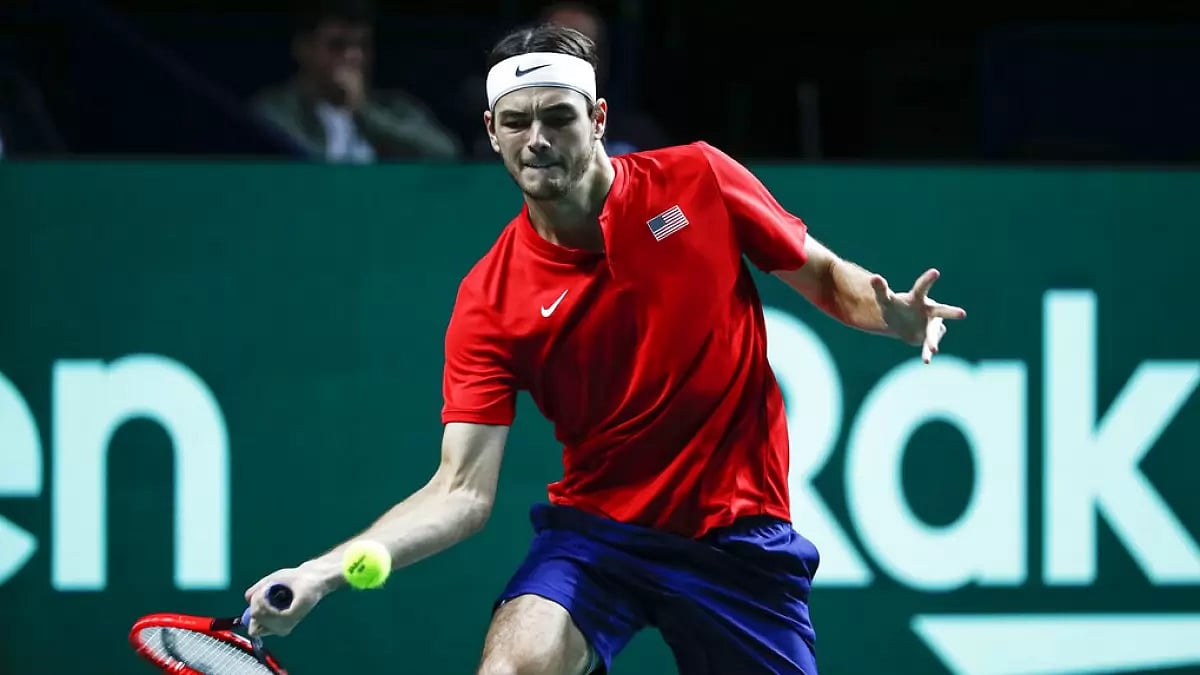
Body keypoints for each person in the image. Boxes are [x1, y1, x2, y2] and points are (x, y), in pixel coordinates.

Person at [244, 22, 967, 675]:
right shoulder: (490, 298)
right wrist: (324, 570)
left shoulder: (697, 179)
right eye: (517, 122)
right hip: (599, 537)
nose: (538, 140)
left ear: (597, 120)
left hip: (738, 535)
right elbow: (460, 491)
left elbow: (825, 277)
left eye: (558, 118)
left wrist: (892, 316)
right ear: (491, 132)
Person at [251, 0, 461, 163]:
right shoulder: (277, 109)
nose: (354, 56)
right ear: (303, 48)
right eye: (337, 45)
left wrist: (365, 112)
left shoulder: (394, 108)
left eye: (362, 45)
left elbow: (445, 153)